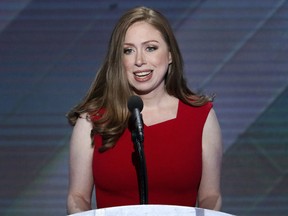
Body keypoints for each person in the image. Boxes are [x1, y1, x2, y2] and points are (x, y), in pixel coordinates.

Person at [66, 6, 222, 214]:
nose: (139, 61)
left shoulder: (200, 116)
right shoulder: (92, 120)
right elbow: (78, 197)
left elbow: (210, 196)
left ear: (170, 55)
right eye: (128, 50)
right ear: (118, 60)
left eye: (151, 48)